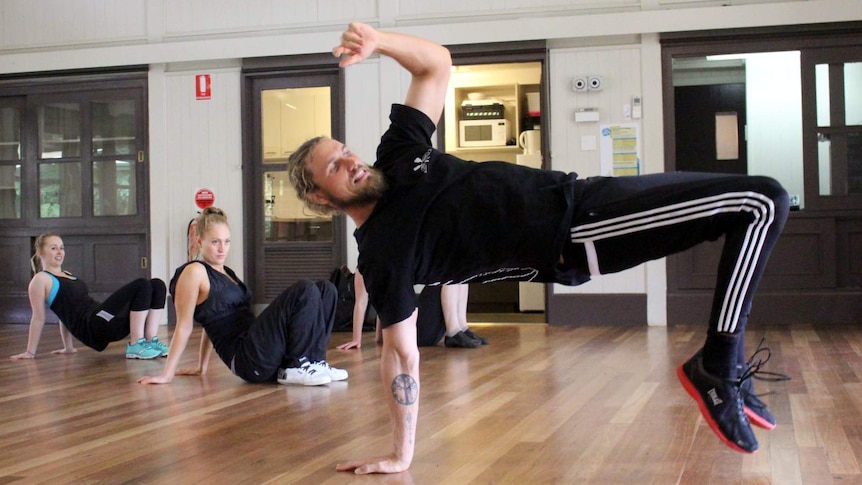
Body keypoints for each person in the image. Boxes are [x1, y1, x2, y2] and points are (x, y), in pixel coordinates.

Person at [286, 22, 789, 473]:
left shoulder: (398, 153)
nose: (350, 162)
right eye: (334, 167)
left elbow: (437, 63)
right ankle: (719, 368)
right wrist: (403, 452)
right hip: (579, 231)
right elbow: (400, 356)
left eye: (344, 151)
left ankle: (719, 366)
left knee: (752, 207)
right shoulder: (381, 252)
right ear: (319, 198)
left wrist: (379, 42)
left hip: (585, 198)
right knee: (761, 201)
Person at [138, 207, 347, 387]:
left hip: (261, 346)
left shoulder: (226, 272)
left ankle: (314, 361)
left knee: (326, 289)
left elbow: (211, 320)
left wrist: (202, 367)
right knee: (305, 289)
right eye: (215, 242)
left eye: (227, 242)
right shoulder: (193, 272)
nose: (222, 249)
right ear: (199, 240)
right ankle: (297, 366)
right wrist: (167, 374)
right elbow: (185, 325)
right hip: (248, 358)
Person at [10, 232, 168, 361]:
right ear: (40, 252)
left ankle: (150, 340)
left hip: (104, 318)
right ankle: (136, 344)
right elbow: (38, 318)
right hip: (94, 325)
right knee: (141, 284)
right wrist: (30, 352)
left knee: (157, 284)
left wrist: (69, 347)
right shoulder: (40, 279)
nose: (59, 252)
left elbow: (63, 314)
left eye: (61, 248)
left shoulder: (68, 275)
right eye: (53, 248)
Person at [336, 269, 487, 350]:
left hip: (417, 332)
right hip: (414, 334)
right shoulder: (364, 269)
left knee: (460, 271)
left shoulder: (393, 259)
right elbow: (361, 304)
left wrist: (380, 336)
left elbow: (385, 303)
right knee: (450, 272)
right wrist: (357, 339)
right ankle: (453, 332)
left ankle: (461, 328)